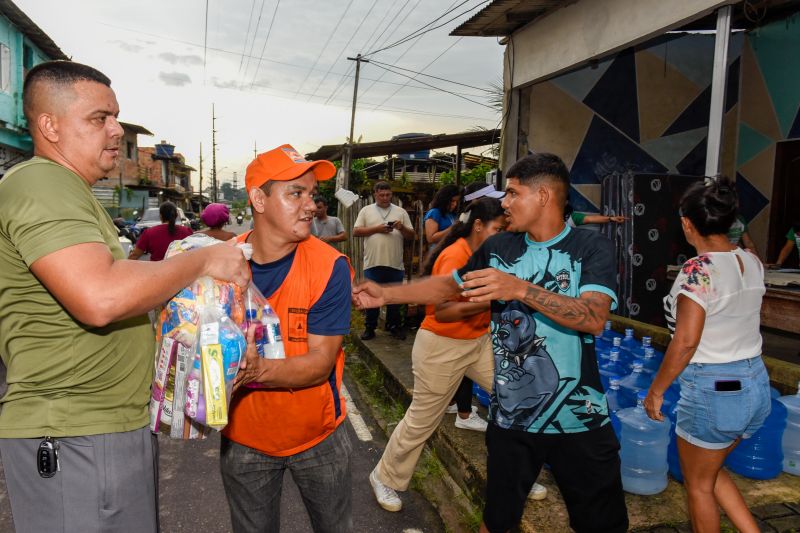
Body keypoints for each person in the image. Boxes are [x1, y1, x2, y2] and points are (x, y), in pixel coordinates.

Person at [0, 60, 249, 533]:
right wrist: (201, 261)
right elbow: (99, 297)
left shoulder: (73, 191)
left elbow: (114, 282)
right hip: (76, 431)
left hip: (101, 428)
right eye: (99, 119)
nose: (115, 131)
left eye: (115, 117)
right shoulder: (42, 181)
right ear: (49, 125)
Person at [354, 153, 628, 533]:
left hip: (579, 418)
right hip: (512, 420)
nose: (505, 203)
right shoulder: (500, 249)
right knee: (497, 521)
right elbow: (449, 286)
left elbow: (594, 317)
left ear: (544, 196)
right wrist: (387, 294)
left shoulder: (589, 248)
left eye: (514, 193)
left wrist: (518, 288)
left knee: (601, 525)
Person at [220, 144, 354, 533]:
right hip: (244, 439)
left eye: (312, 193)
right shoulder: (221, 262)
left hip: (319, 437)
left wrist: (256, 370)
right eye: (296, 193)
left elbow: (319, 365)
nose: (310, 204)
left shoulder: (330, 266)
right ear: (258, 200)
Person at [644, 176, 769, 533]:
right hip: (755, 385)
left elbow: (685, 341)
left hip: (716, 390)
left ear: (687, 224)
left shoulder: (698, 270)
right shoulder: (751, 262)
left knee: (697, 483)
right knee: (710, 472)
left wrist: (656, 391)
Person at [369, 197, 505, 511]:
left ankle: (517, 475)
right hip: (441, 347)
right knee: (421, 422)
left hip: (478, 342)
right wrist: (492, 301)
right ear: (479, 226)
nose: (504, 236)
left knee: (518, 397)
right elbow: (442, 313)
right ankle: (383, 477)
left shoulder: (491, 254)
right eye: (499, 228)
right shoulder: (455, 256)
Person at [353, 180, 415, 341]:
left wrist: (401, 228)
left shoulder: (400, 212)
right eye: (382, 195)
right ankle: (369, 328)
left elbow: (412, 236)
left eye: (388, 195)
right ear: (375, 194)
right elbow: (356, 231)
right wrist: (377, 229)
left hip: (395, 263)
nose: (385, 198)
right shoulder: (366, 211)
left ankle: (394, 327)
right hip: (372, 262)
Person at [128, 201, 193, 260]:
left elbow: (134, 255)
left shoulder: (149, 232)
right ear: (176, 215)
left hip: (156, 271)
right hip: (181, 271)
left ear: (161, 216)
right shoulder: (187, 231)